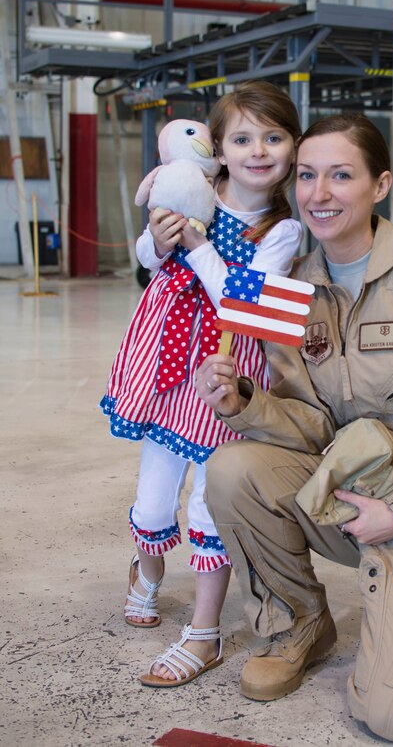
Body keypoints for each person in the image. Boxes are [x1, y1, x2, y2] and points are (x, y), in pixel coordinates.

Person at [195, 113, 393, 740]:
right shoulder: (292, 290)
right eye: (310, 176)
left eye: (342, 176)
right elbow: (313, 425)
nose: (320, 194)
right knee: (235, 468)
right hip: (347, 491)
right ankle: (299, 625)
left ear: (381, 185)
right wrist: (243, 402)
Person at [100, 80, 302, 687]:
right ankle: (150, 572)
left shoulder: (283, 229)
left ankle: (205, 631)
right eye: (242, 138)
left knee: (209, 508)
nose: (258, 150)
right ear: (218, 148)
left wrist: (196, 245)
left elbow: (241, 301)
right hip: (165, 359)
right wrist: (159, 245)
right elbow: (146, 256)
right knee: (155, 500)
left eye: (274, 137)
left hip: (225, 373)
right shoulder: (189, 186)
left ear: (293, 146)